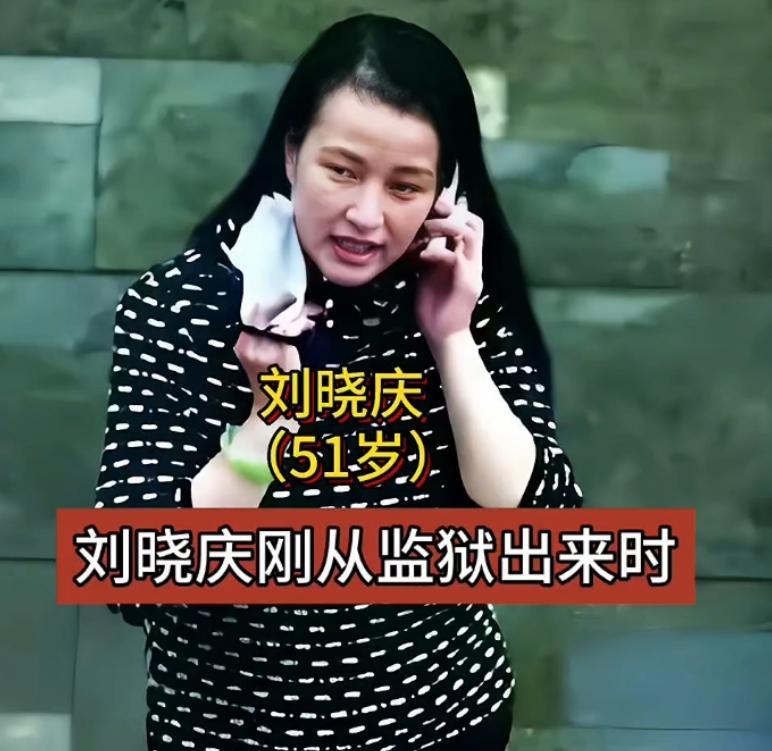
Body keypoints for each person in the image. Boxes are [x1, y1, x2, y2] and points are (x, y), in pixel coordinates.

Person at [94, 13, 583, 751]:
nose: (366, 215)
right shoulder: (178, 305)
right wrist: (268, 422)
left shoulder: (462, 296)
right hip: (231, 734)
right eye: (343, 170)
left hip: (443, 723)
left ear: (444, 193)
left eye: (406, 185)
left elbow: (544, 527)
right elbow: (134, 577)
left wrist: (452, 337)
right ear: (292, 153)